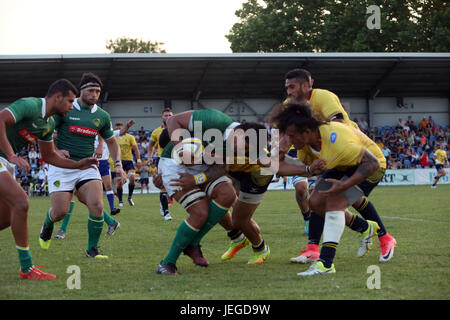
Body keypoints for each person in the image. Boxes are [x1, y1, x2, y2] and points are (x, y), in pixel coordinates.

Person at [278, 68, 396, 264]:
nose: (289, 92)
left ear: (306, 85)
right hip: (323, 151)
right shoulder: (288, 109)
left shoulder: (323, 97)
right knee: (316, 200)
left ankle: (382, 238)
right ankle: (320, 246)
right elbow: (282, 140)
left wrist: (306, 136)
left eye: (292, 87)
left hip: (350, 151)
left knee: (338, 200)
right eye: (286, 88)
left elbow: (338, 124)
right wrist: (282, 148)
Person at [0, 78, 99, 279]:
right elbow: (0, 119)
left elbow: (50, 156)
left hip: (5, 161)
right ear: (57, 97)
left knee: (6, 218)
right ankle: (26, 269)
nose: (73, 107)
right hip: (4, 158)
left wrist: (79, 164)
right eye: (70, 101)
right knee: (21, 203)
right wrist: (11, 154)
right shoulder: (30, 105)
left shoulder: (49, 123)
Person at [38, 73, 125, 259]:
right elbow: (47, 133)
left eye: (98, 91)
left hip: (87, 165)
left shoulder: (102, 116)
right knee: (60, 211)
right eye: (91, 90)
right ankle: (48, 221)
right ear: (81, 91)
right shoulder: (66, 108)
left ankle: (92, 250)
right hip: (61, 166)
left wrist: (118, 164)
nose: (95, 94)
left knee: (97, 205)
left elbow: (112, 142)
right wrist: (57, 149)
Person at [155, 109, 240, 275]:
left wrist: (196, 180)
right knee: (200, 212)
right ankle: (168, 263)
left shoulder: (237, 147)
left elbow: (222, 167)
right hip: (174, 163)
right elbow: (172, 121)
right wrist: (180, 148)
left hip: (202, 168)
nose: (242, 150)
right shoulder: (214, 120)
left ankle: (193, 243)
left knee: (227, 194)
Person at [52, 119, 135, 239]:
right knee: (82, 197)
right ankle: (111, 222)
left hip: (98, 165)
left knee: (90, 192)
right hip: (87, 164)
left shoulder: (106, 132)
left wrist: (127, 126)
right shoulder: (86, 133)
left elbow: (120, 133)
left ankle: (62, 230)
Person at [148, 108, 174, 220]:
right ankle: (166, 212)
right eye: (166, 115)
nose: (167, 117)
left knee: (173, 186)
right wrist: (149, 157)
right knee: (163, 186)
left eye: (170, 115)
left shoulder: (178, 130)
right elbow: (150, 145)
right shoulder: (156, 131)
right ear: (162, 117)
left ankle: (165, 202)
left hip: (177, 159)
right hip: (162, 159)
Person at [115, 122, 140, 207]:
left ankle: (129, 197)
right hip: (119, 162)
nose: (119, 130)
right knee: (119, 182)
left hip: (129, 161)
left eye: (120, 128)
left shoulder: (130, 137)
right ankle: (120, 201)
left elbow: (136, 149)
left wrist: (139, 160)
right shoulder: (114, 138)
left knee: (132, 178)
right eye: (117, 128)